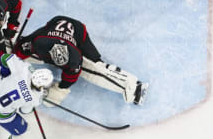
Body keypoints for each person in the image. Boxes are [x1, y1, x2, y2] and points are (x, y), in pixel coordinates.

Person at [14, 15, 149, 106]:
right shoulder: (38, 42)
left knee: (95, 66)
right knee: (18, 49)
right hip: (54, 24)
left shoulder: (75, 58)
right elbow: (21, 46)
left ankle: (133, 87)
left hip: (79, 32)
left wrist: (60, 90)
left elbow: (71, 76)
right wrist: (12, 58)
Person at [0, 53, 53, 139]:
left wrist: (5, 72)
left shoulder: (25, 69)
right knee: (24, 133)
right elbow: (23, 111)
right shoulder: (35, 98)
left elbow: (5, 58)